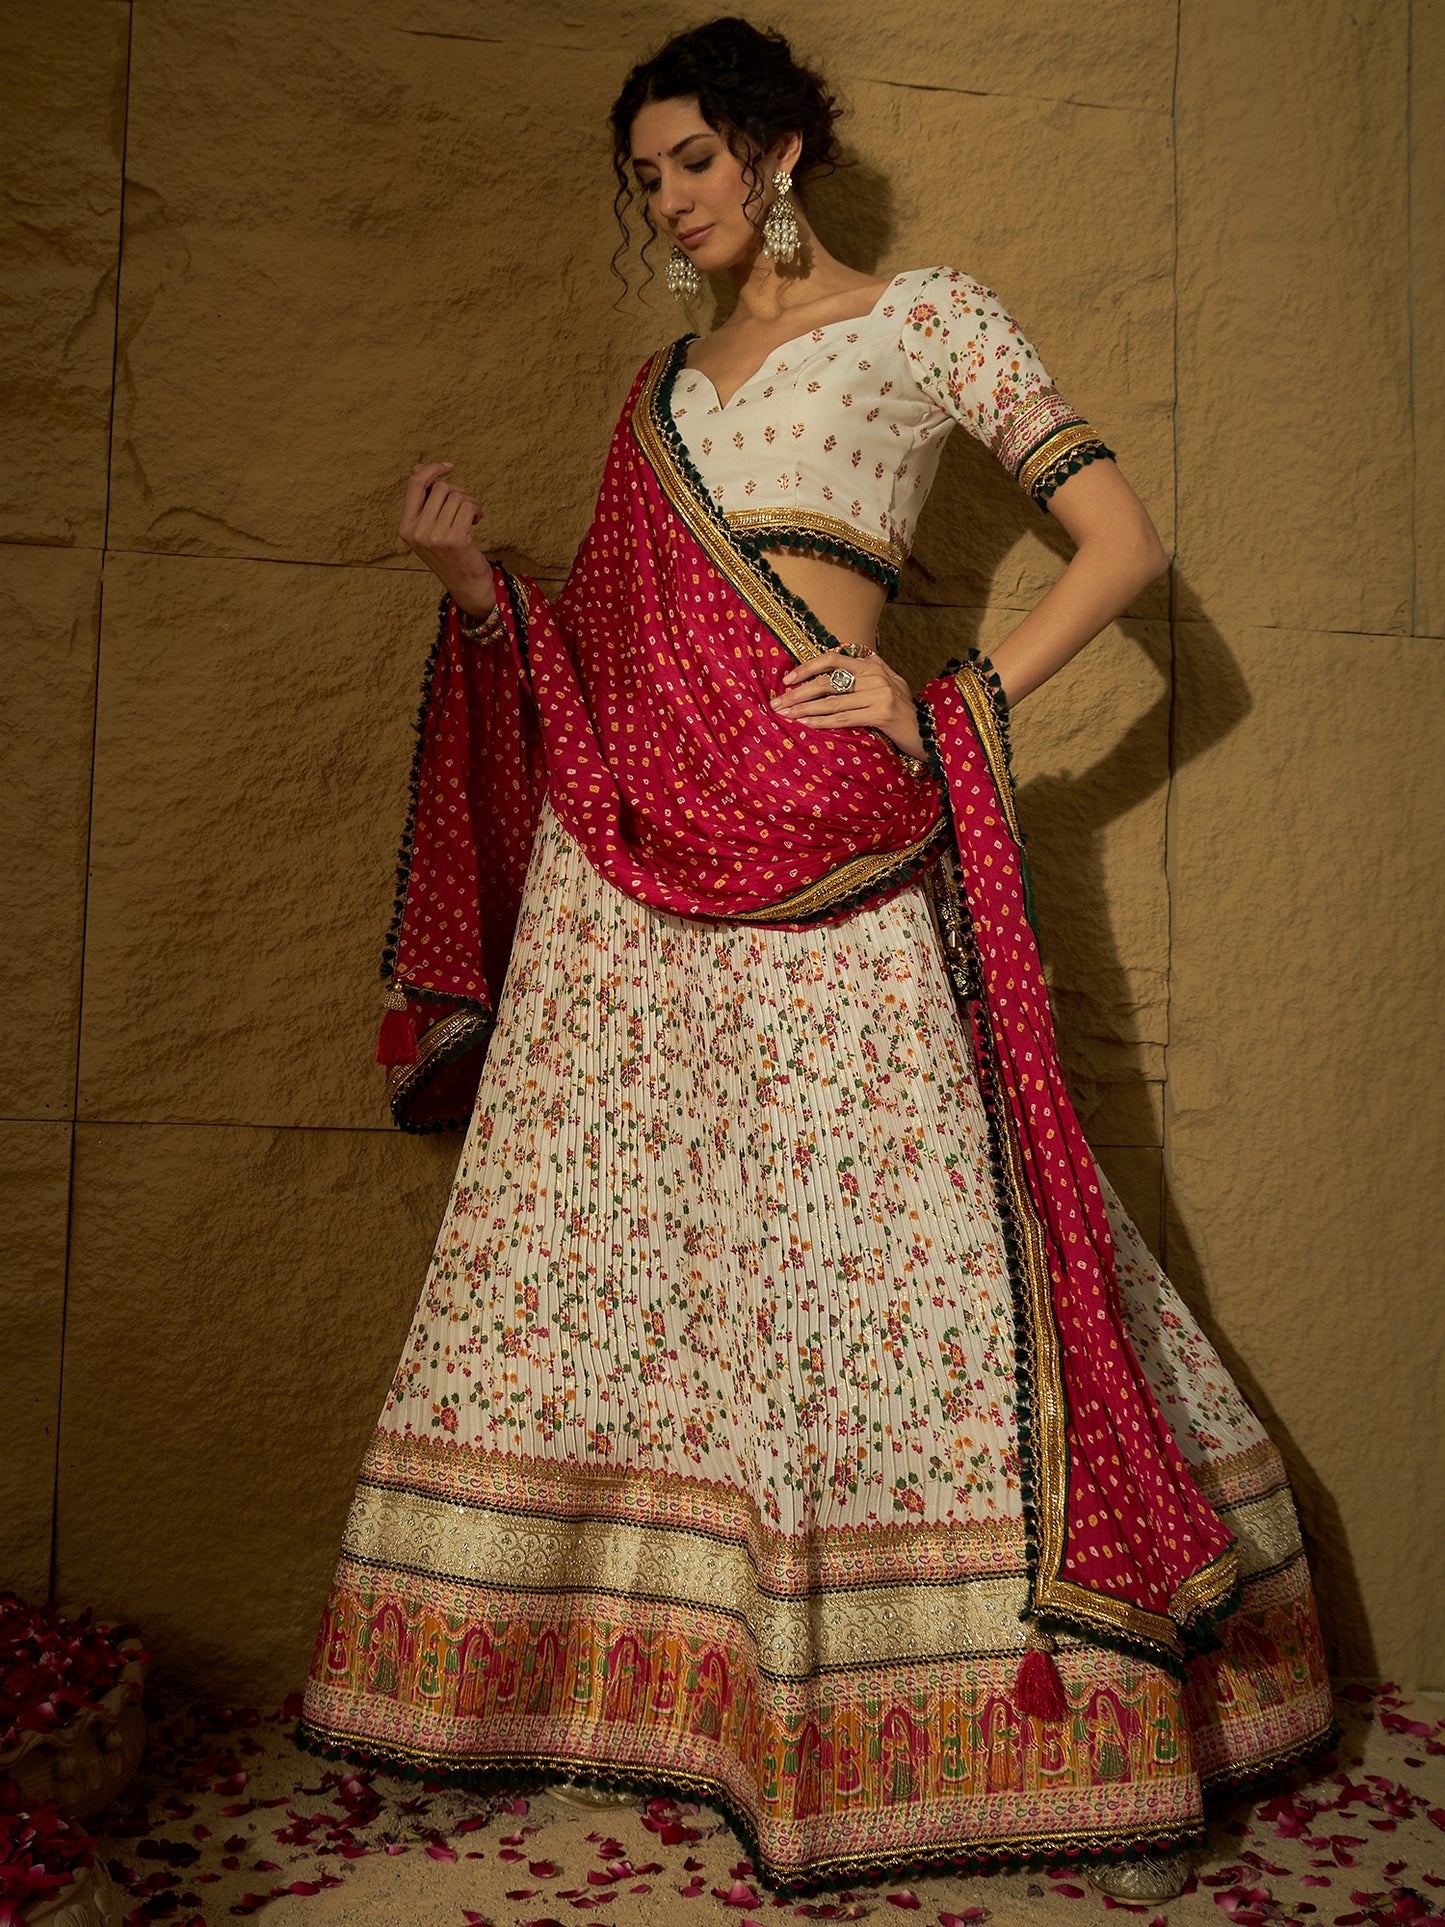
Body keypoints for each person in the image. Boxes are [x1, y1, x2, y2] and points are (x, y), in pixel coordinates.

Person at [297, 15, 1336, 1901]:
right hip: (633, 892)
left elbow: (1115, 540)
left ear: (776, 154)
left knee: (882, 1269)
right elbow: (610, 664)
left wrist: (946, 706)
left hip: (840, 851)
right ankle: (631, 1691)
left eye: (691, 160)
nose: (669, 201)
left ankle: (943, 1717)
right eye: (646, 177)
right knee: (633, 1271)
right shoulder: (662, 389)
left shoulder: (928, 319)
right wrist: (477, 602)